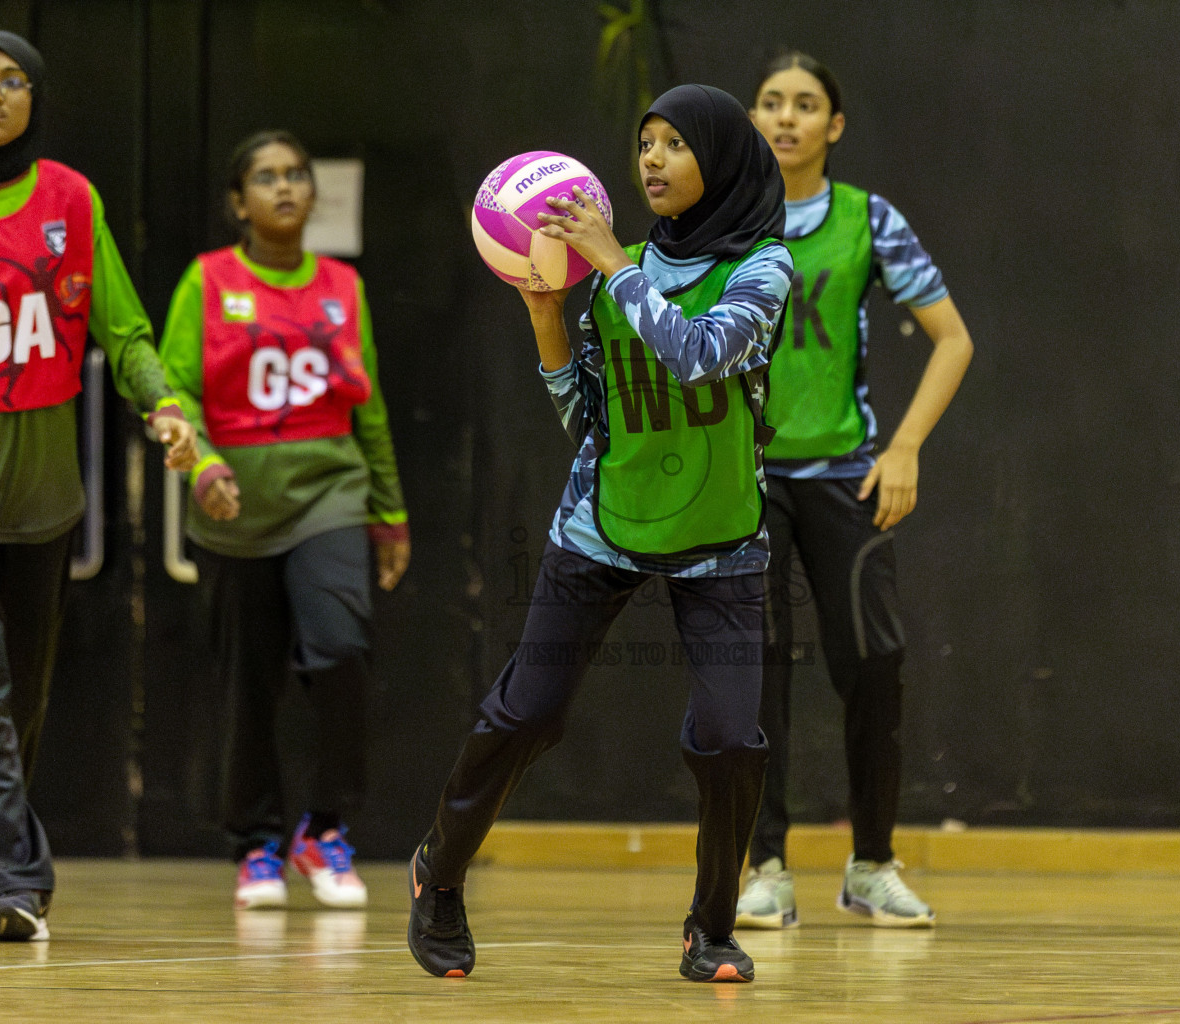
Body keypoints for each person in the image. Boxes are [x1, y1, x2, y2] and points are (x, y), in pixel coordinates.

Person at [406, 84, 789, 983]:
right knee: (526, 713)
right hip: (602, 526)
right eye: (644, 142)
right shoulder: (611, 272)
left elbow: (699, 355)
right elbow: (588, 415)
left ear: (723, 160)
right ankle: (441, 872)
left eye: (674, 144)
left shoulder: (764, 269)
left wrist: (614, 262)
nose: (650, 159)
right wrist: (547, 316)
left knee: (733, 739)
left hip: (722, 535)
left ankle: (711, 927)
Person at [0, 30, 198, 941]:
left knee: (22, 691)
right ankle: (6, 885)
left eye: (12, 79)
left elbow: (127, 331)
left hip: (41, 491)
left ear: (34, 96)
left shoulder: (71, 198)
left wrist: (165, 406)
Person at [735, 52, 974, 930]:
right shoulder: (720, 218)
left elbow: (953, 339)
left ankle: (871, 862)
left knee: (875, 664)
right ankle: (763, 867)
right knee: (752, 673)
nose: (786, 117)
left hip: (843, 476)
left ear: (834, 127)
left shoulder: (868, 219)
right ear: (752, 120)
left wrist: (904, 446)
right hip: (744, 483)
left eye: (806, 105)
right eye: (771, 103)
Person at [159, 130, 409, 910]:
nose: (285, 187)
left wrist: (390, 511)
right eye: (265, 178)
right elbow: (175, 391)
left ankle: (323, 829)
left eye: (296, 174)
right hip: (238, 509)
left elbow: (365, 404)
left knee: (341, 652)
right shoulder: (205, 283)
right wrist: (201, 466)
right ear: (239, 203)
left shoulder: (341, 285)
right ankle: (256, 844)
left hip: (328, 493)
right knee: (249, 685)